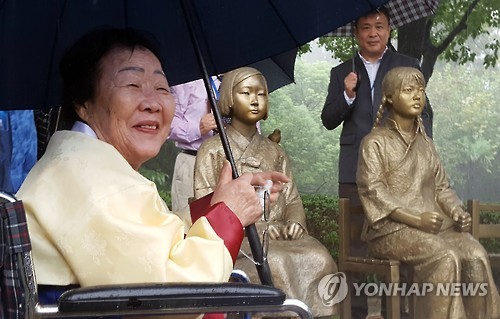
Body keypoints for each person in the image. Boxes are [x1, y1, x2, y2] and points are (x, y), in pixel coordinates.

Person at [16, 28, 290, 303]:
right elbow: (172, 296)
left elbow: (148, 239)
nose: (153, 103)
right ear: (83, 103)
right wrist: (229, 214)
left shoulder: (84, 165)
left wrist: (215, 205)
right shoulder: (93, 182)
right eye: (132, 85)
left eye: (162, 88)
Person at [193, 67, 338, 318]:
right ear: (228, 98)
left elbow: (291, 197)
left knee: (319, 256)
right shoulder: (212, 151)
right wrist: (258, 229)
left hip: (280, 236)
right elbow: (204, 206)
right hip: (241, 242)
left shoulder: (275, 152)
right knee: (276, 261)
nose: (254, 100)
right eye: (246, 93)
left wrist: (293, 222)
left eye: (261, 94)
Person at [357, 66, 500, 319]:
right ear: (389, 97)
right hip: (390, 230)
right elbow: (373, 190)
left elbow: (442, 187)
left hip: (433, 226)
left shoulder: (426, 144)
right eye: (408, 90)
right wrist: (415, 219)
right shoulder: (374, 142)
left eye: (421, 90)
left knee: (476, 256)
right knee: (444, 256)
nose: (417, 96)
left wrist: (456, 211)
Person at [321, 6, 433, 206]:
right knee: (354, 231)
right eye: (366, 28)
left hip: (399, 166)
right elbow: (328, 119)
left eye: (379, 26)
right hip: (354, 168)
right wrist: (347, 95)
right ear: (356, 33)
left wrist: (421, 154)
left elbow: (424, 114)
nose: (373, 33)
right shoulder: (342, 72)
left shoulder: (407, 65)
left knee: (398, 231)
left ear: (389, 30)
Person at [168, 78, 219, 211]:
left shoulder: (235, 82)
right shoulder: (186, 83)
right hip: (192, 161)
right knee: (188, 221)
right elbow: (168, 123)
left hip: (225, 165)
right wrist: (198, 128)